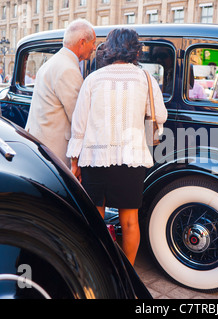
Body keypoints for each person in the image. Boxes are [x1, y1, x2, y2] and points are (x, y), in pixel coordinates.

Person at [66, 28, 167, 265]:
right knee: (130, 221)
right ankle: (128, 275)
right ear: (135, 48)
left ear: (109, 48)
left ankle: (100, 270)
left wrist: (74, 162)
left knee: (95, 219)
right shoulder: (145, 79)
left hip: (95, 158)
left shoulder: (93, 79)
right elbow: (159, 115)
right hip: (131, 158)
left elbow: (79, 125)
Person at [25, 19, 96, 167]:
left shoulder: (52, 63)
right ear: (82, 42)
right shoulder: (68, 69)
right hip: (56, 151)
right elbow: (78, 118)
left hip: (41, 145)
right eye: (93, 42)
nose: (94, 47)